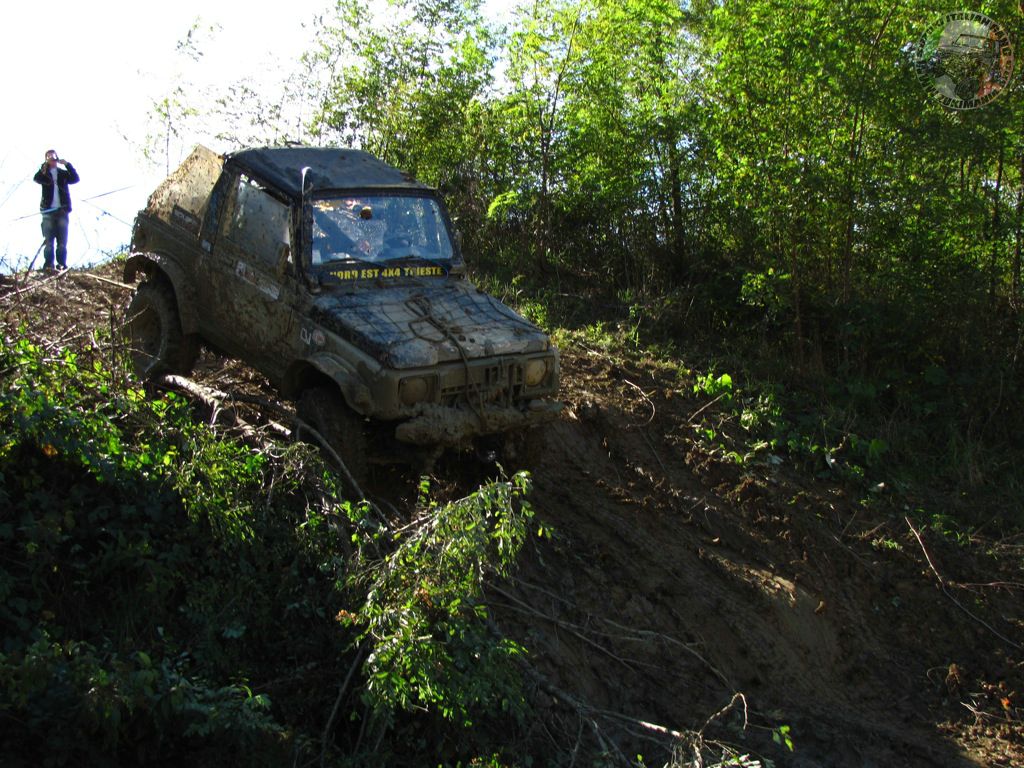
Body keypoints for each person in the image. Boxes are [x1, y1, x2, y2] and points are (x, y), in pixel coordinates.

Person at [32, 149, 80, 272]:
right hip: (48, 212)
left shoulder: (63, 174)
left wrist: (67, 164)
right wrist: (44, 167)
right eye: (48, 157)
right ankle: (49, 265)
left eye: (53, 157)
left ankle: (62, 264)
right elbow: (36, 178)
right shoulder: (44, 174)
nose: (51, 159)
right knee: (48, 242)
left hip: (62, 211)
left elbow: (75, 179)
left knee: (62, 241)